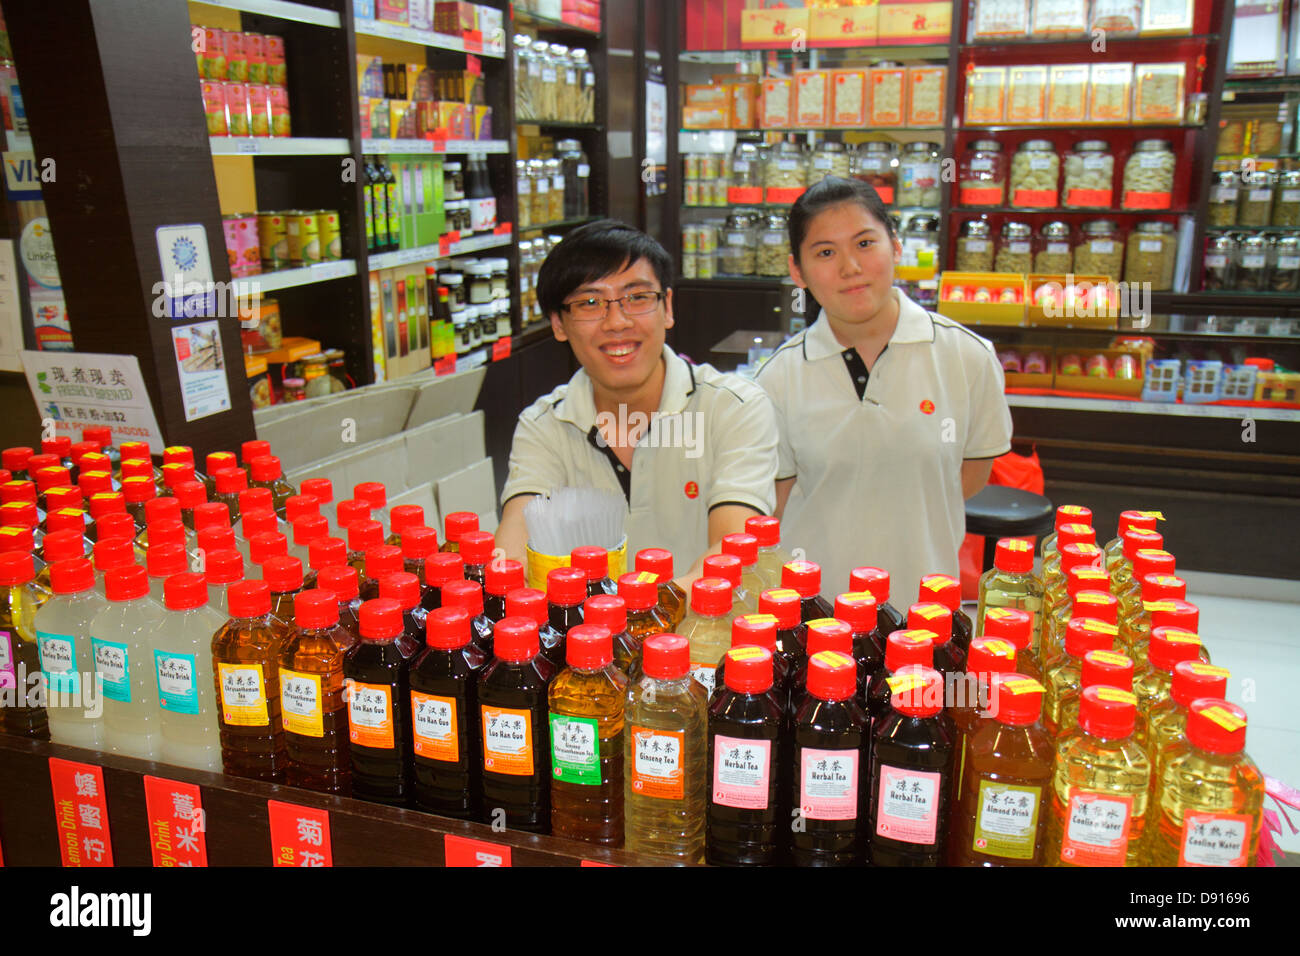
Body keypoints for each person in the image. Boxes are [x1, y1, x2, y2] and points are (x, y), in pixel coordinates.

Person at [756, 176, 1013, 600]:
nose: (850, 268)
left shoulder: (967, 356)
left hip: (924, 609)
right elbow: (777, 504)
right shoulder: (779, 377)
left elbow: (968, 475)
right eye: (825, 252)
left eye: (864, 243)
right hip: (814, 613)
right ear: (797, 271)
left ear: (895, 246)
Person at [496, 220, 779, 579]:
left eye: (637, 298)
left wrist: (646, 616)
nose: (617, 322)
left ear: (668, 307)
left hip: (707, 630)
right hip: (588, 634)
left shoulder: (733, 407)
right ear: (558, 324)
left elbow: (734, 544)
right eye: (590, 302)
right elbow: (516, 539)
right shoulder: (545, 426)